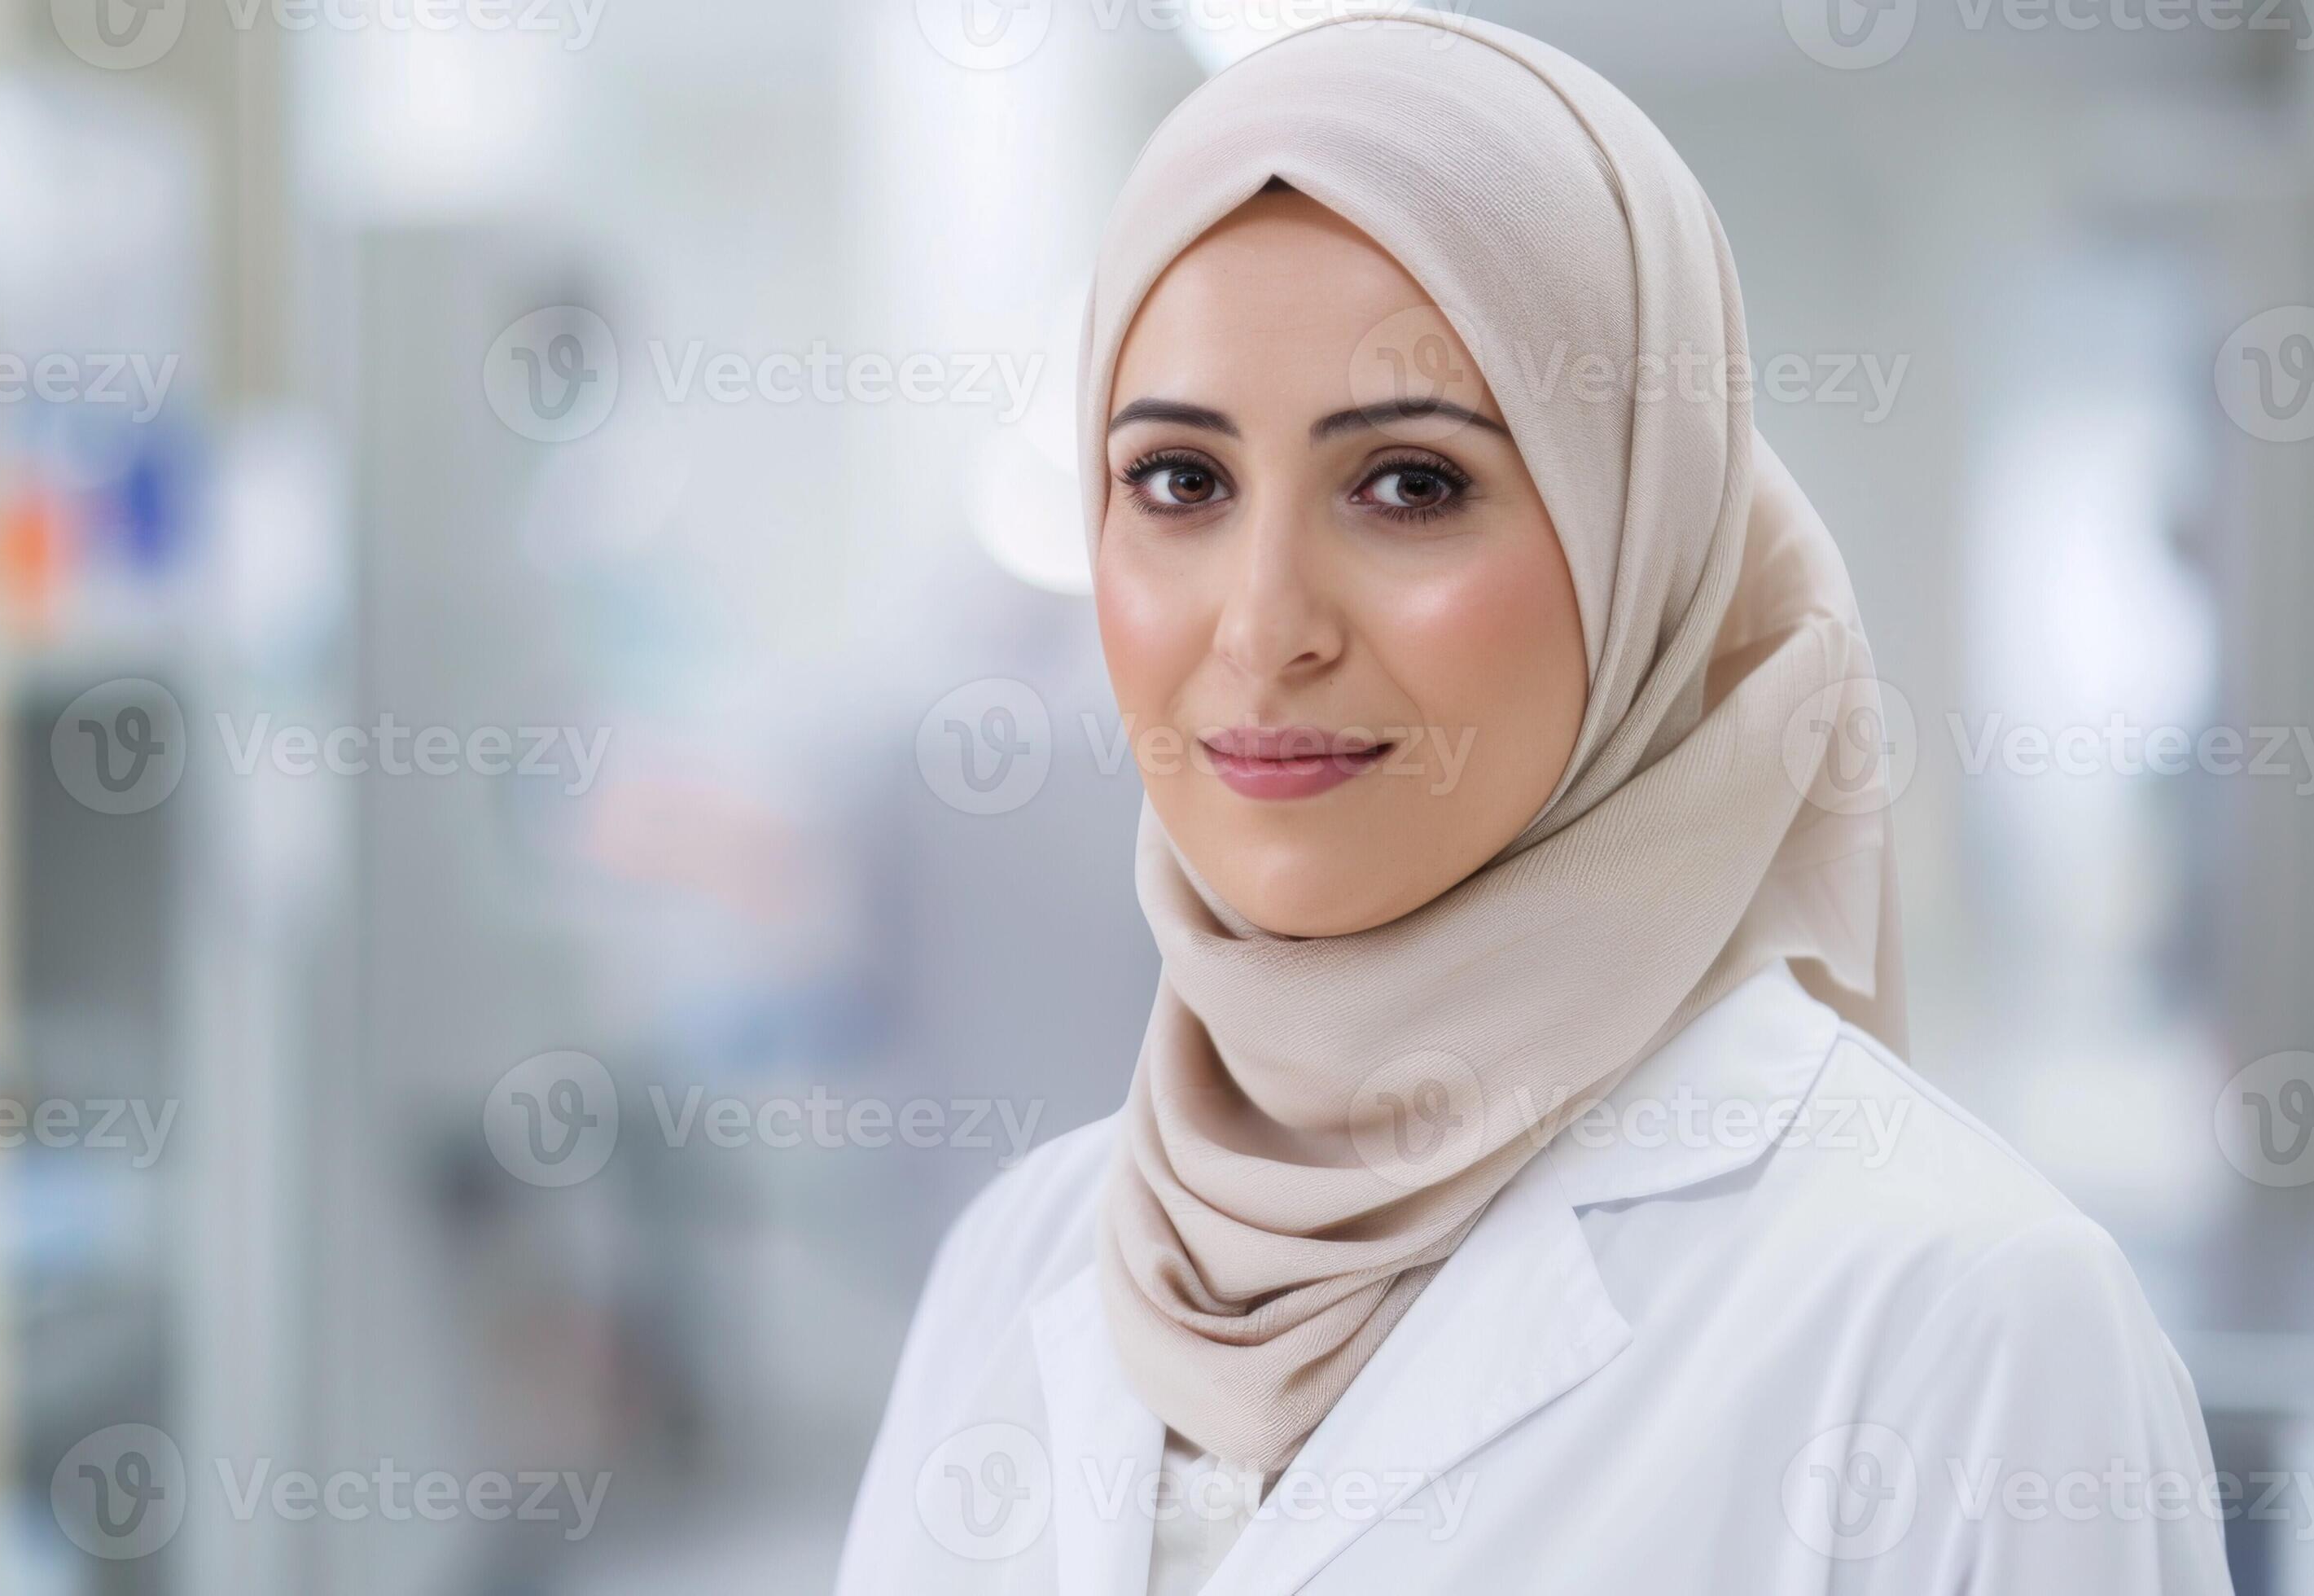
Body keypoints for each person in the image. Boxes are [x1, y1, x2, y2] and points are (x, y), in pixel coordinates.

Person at [836, 15, 2233, 1594]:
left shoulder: (1958, 1317)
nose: (1261, 622)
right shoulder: (1017, 1259)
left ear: (1643, 547)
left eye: (1410, 483)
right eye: (1180, 480)